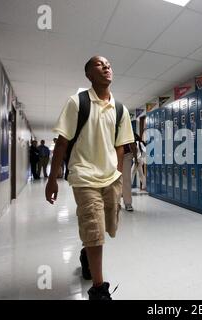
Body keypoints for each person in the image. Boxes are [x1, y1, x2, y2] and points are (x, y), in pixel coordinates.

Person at [45, 56, 134, 300]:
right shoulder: (77, 102)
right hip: (83, 176)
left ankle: (86, 254)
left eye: (108, 64)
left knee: (106, 226)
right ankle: (98, 289)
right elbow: (62, 142)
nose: (106, 66)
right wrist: (52, 179)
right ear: (89, 75)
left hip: (109, 177)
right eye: (99, 64)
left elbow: (120, 145)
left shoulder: (120, 109)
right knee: (94, 229)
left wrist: (115, 172)